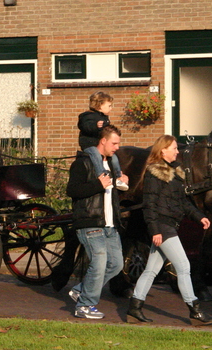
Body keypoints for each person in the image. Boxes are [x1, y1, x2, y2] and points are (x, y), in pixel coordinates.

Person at [127, 135, 212, 325]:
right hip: (163, 227)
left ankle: (134, 309)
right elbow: (149, 205)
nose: (177, 151)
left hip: (168, 225)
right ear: (163, 150)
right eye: (174, 148)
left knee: (151, 270)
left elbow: (183, 203)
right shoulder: (153, 173)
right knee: (183, 267)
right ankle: (195, 311)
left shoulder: (175, 173)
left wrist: (199, 216)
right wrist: (154, 231)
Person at [66, 125, 125, 319]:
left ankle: (81, 290)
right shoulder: (83, 163)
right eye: (114, 143)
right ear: (103, 141)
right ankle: (84, 306)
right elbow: (72, 191)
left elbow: (111, 195)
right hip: (90, 222)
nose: (117, 147)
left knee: (116, 265)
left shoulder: (112, 165)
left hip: (109, 225)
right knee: (99, 263)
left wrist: (122, 181)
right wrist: (97, 185)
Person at [77, 92, 129, 191]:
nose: (111, 108)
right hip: (89, 144)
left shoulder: (104, 118)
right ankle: (103, 176)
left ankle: (118, 177)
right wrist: (95, 126)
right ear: (100, 105)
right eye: (109, 106)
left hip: (99, 143)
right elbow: (85, 126)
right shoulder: (87, 115)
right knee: (96, 155)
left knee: (114, 157)